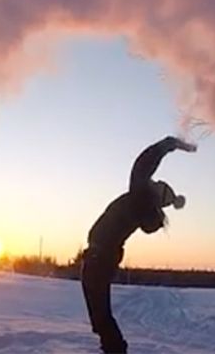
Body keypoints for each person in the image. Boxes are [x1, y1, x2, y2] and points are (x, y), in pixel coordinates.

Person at [80, 135, 195, 354]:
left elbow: (143, 163)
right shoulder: (145, 206)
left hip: (99, 258)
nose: (154, 180)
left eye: (158, 183)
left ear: (156, 193)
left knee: (101, 316)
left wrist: (169, 144)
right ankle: (113, 349)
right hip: (101, 258)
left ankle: (116, 350)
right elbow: (151, 222)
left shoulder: (139, 195)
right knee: (100, 317)